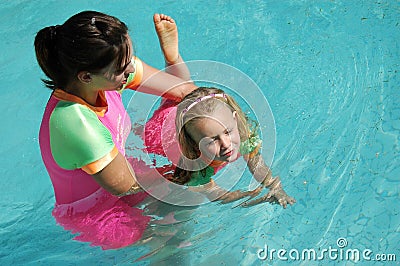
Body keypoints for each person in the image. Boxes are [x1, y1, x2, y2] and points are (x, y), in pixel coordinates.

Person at [35, 11, 196, 249]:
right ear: (86, 76)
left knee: (184, 115)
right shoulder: (74, 121)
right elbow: (126, 186)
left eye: (129, 57)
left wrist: (173, 58)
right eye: (122, 67)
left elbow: (183, 92)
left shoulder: (106, 74)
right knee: (168, 242)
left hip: (126, 171)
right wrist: (190, 171)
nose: (130, 68)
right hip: (97, 212)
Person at [143, 87, 296, 208]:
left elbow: (257, 164)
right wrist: (252, 196)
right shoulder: (194, 168)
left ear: (235, 119)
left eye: (228, 132)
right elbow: (219, 195)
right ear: (194, 145)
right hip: (156, 135)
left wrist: (274, 187)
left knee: (176, 93)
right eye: (212, 141)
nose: (226, 144)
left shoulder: (241, 133)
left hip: (183, 114)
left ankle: (173, 60)